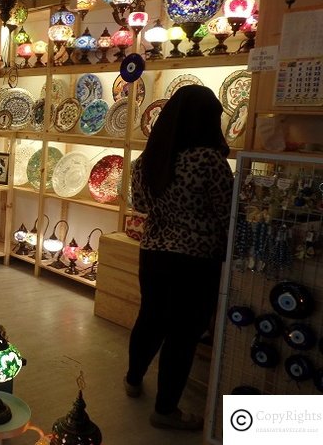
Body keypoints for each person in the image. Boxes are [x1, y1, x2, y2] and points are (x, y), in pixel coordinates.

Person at [124, 85, 233, 430]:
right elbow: (227, 211)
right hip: (196, 259)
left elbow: (140, 205)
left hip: (154, 251)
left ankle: (133, 378)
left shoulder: (149, 158)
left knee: (151, 318)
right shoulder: (208, 160)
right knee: (183, 334)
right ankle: (166, 409)